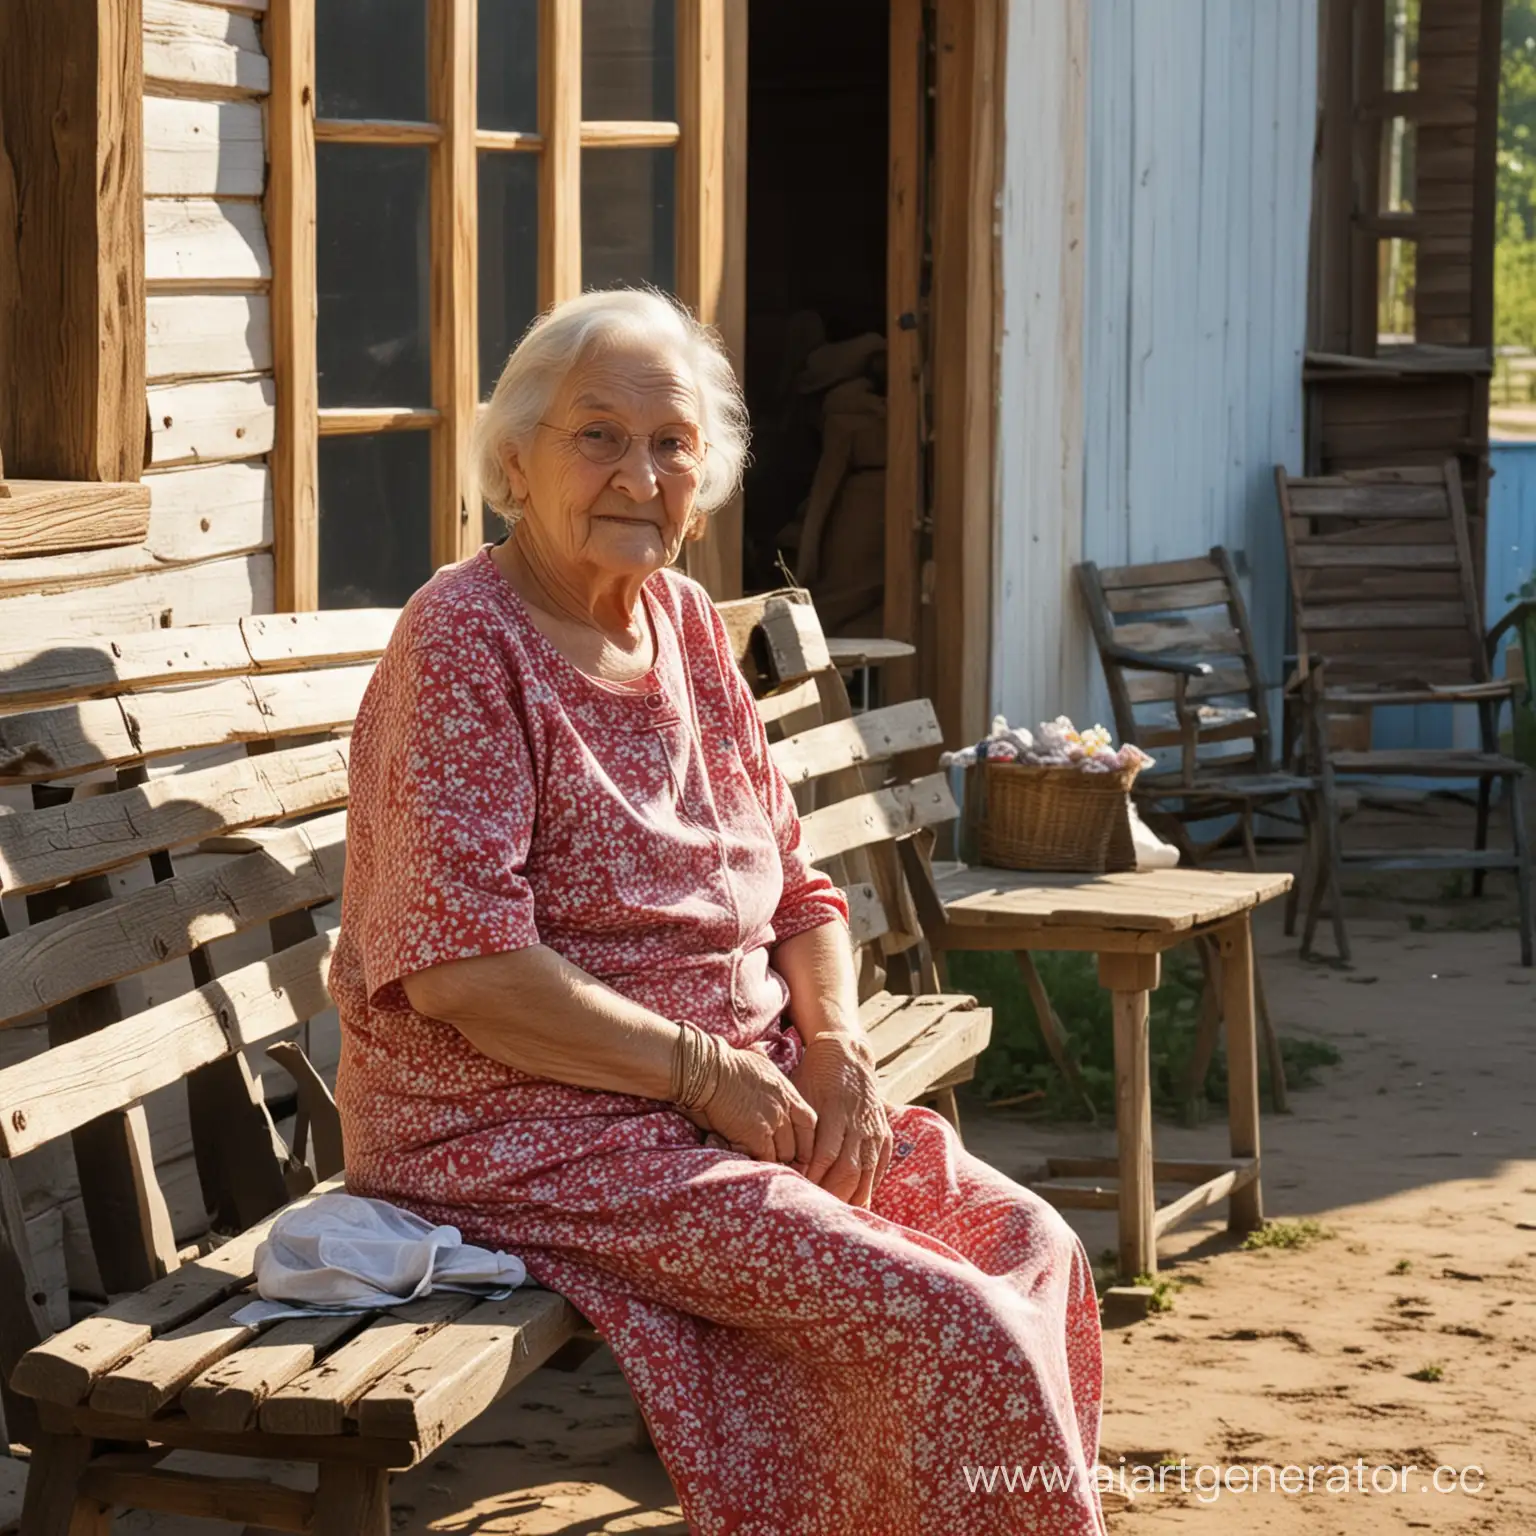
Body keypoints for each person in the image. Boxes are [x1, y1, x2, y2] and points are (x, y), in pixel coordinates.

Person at [331, 288, 1107, 1536]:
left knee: (1033, 1247)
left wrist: (842, 1047)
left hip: (742, 1093)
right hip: (528, 1132)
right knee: (948, 1324)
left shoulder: (685, 623)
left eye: (673, 444)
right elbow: (465, 970)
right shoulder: (463, 643)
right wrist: (702, 1076)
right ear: (516, 459)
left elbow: (798, 888)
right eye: (598, 437)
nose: (641, 474)